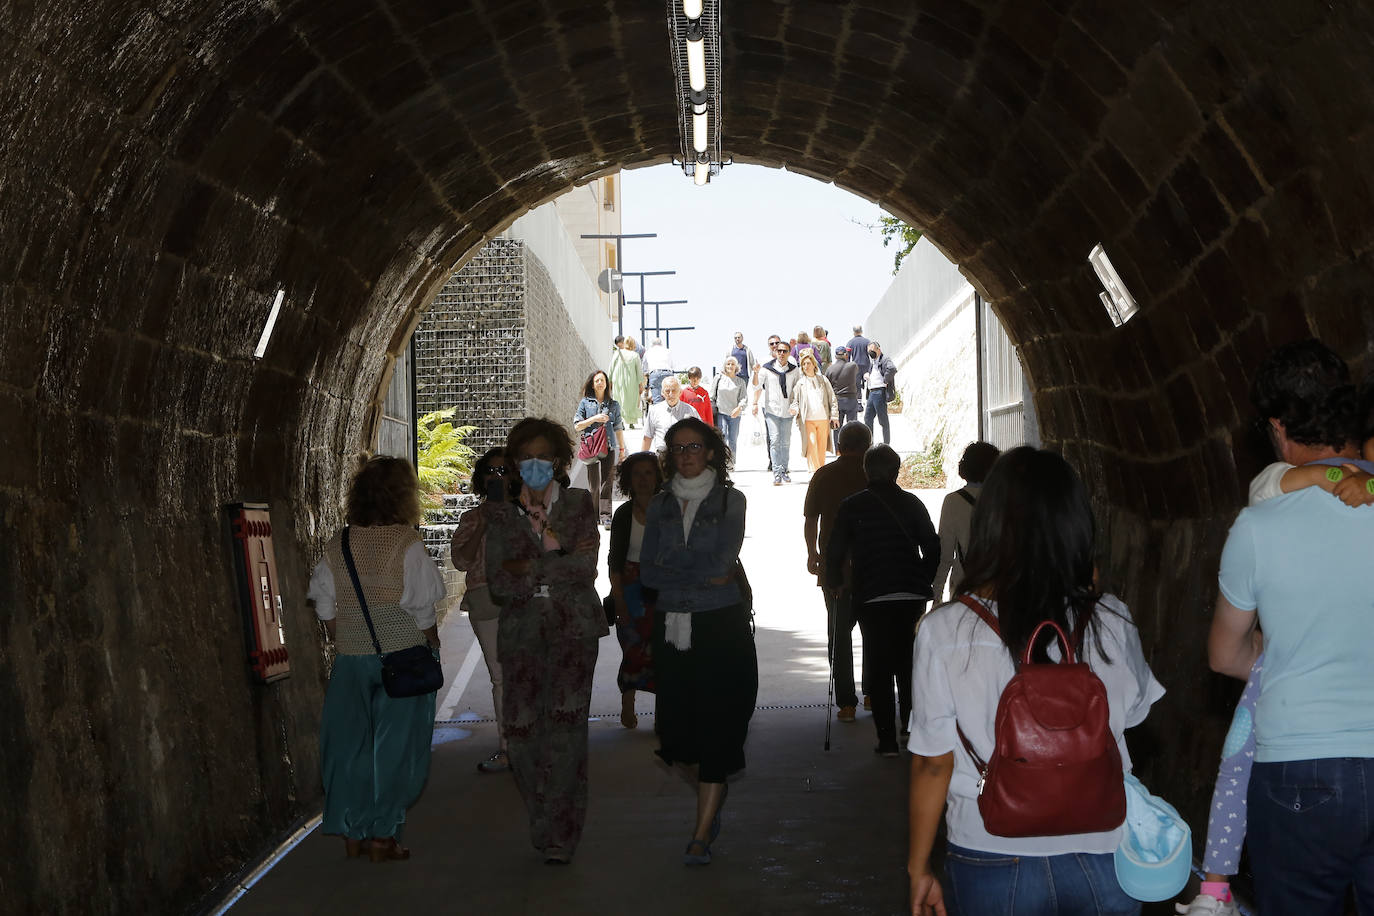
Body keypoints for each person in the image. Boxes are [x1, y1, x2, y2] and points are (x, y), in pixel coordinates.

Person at [907, 446, 1165, 915]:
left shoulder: (943, 631)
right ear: (1078, 526)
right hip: (1104, 846)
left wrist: (919, 867)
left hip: (989, 848)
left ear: (989, 525)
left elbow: (932, 765)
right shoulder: (1112, 620)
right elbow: (1134, 720)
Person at [1177, 412, 1374, 916]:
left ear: (1281, 432)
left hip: (1299, 759)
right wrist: (1335, 477)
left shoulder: (1264, 519)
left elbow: (1224, 661)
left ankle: (1214, 889)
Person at [309, 456, 446, 862]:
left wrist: (344, 640)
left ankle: (353, 832)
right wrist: (432, 645)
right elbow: (421, 606)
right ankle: (384, 836)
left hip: (352, 661)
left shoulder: (340, 542)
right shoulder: (406, 542)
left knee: (349, 747)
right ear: (403, 496)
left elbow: (322, 601)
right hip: (402, 655)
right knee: (395, 748)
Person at [483, 417, 604, 864]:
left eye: (543, 456)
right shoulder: (499, 512)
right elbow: (499, 581)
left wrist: (528, 569)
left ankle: (561, 834)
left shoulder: (578, 504)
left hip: (574, 630)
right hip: (521, 635)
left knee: (567, 732)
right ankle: (543, 814)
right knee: (521, 733)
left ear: (558, 461)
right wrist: (556, 560)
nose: (535, 464)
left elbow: (585, 568)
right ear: (516, 463)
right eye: (525, 457)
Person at [640, 417, 756, 867]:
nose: (686, 454)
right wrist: (693, 571)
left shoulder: (731, 499)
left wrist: (677, 569)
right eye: (677, 448)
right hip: (673, 627)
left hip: (719, 626)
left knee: (718, 729)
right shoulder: (661, 505)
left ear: (711, 452)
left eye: (695, 446)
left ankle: (702, 832)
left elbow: (723, 563)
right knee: (675, 737)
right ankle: (715, 790)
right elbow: (648, 572)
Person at [826, 445, 939, 756]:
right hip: (910, 594)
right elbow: (932, 545)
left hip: (872, 593)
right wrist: (922, 578)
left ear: (866, 471)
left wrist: (835, 581)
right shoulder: (912, 503)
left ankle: (887, 738)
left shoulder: (852, 506)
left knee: (879, 662)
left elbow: (835, 548)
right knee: (908, 662)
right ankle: (911, 727)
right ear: (897, 470)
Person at [804, 421, 873, 724]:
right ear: (867, 446)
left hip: (835, 569)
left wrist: (812, 554)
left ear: (840, 444)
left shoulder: (823, 475)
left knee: (839, 634)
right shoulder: (873, 474)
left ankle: (846, 703)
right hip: (872, 566)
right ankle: (873, 691)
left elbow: (810, 519)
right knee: (874, 632)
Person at [449, 448, 513, 775]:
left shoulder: (527, 513)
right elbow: (461, 561)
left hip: (523, 601)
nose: (496, 477)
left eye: (504, 470)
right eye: (491, 471)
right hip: (485, 600)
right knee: (501, 676)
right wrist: (484, 525)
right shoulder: (472, 518)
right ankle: (507, 748)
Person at [607, 452, 665, 730]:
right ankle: (627, 704)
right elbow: (614, 561)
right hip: (630, 590)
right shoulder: (623, 514)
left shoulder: (669, 509)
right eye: (637, 474)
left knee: (663, 652)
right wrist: (618, 600)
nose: (643, 480)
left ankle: (662, 715)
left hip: (663, 589)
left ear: (658, 477)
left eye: (649, 473)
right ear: (629, 480)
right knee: (632, 649)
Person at [931, 442, 1000, 603]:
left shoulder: (953, 501)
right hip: (998, 588)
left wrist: (937, 596)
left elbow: (945, 554)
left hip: (964, 588)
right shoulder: (1004, 500)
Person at [573, 369, 627, 527]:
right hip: (591, 447)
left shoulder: (613, 405)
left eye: (602, 380)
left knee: (607, 482)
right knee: (594, 484)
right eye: (597, 380)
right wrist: (594, 419)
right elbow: (577, 425)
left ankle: (606, 516)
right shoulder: (585, 403)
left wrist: (622, 450)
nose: (600, 383)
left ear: (607, 384)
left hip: (608, 447)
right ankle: (594, 515)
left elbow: (618, 428)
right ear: (592, 384)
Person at [753, 338, 800, 485]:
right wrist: (755, 373)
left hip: (788, 410)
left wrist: (796, 406)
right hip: (772, 410)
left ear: (788, 353)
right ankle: (777, 472)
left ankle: (785, 470)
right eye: (778, 351)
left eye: (784, 351)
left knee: (785, 442)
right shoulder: (766, 369)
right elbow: (757, 386)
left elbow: (797, 390)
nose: (780, 353)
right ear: (774, 352)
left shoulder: (794, 369)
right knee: (774, 441)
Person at [789, 351, 838, 473]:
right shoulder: (800, 384)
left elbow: (832, 398)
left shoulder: (823, 380)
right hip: (808, 420)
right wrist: (794, 409)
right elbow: (795, 400)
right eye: (803, 364)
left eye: (808, 363)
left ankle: (821, 471)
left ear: (814, 365)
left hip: (823, 418)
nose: (806, 366)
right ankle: (814, 471)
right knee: (811, 445)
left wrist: (835, 415)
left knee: (821, 447)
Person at [642, 375, 697, 453]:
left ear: (680, 392)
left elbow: (699, 436)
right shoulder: (654, 411)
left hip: (683, 457)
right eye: (667, 391)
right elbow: (647, 437)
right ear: (662, 393)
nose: (671, 394)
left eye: (674, 390)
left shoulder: (691, 411)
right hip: (662, 457)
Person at [826, 346, 862, 450]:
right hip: (851, 399)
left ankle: (838, 451)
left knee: (837, 428)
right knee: (852, 427)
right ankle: (853, 449)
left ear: (835, 356)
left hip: (837, 401)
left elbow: (828, 385)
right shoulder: (853, 366)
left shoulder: (830, 369)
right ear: (846, 355)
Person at [710, 356, 747, 456]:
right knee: (722, 438)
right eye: (728, 364)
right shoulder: (718, 378)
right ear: (725, 366)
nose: (730, 366)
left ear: (736, 367)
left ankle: (731, 462)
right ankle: (723, 461)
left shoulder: (740, 381)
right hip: (721, 413)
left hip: (735, 415)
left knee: (732, 440)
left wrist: (739, 408)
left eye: (732, 364)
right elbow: (712, 396)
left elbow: (744, 398)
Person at [863, 340, 898, 445]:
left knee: (883, 420)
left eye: (872, 350)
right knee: (867, 418)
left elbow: (892, 369)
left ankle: (886, 444)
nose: (871, 353)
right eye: (869, 351)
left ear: (879, 349)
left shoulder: (885, 359)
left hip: (879, 391)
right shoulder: (872, 362)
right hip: (871, 392)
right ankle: (870, 443)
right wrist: (867, 375)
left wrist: (885, 380)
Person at [610, 336, 645, 429]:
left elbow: (611, 368)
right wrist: (641, 384)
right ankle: (631, 422)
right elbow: (639, 371)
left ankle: (620, 420)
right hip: (631, 382)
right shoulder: (635, 355)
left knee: (619, 400)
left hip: (618, 381)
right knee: (631, 401)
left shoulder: (617, 353)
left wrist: (609, 381)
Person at [643, 337, 675, 404]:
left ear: (652, 344)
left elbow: (645, 370)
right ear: (661, 344)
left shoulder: (648, 352)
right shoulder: (668, 351)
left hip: (655, 374)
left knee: (657, 401)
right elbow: (672, 366)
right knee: (669, 400)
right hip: (668, 373)